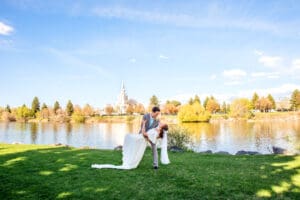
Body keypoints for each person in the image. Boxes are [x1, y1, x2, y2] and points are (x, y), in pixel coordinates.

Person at [91, 122, 170, 170]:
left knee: (128, 137)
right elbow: (150, 138)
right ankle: (130, 158)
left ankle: (130, 161)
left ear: (162, 127)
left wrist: (143, 125)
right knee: (130, 141)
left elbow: (144, 134)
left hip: (141, 139)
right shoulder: (157, 130)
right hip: (141, 139)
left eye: (162, 124)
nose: (161, 122)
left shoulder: (155, 133)